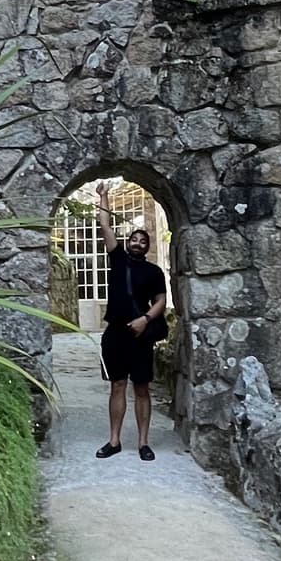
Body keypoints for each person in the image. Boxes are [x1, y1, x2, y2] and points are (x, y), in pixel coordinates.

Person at [94, 186, 168, 461]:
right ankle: (114, 440)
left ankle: (143, 443)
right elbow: (105, 225)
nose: (137, 243)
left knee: (142, 388)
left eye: (142, 241)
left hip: (140, 335)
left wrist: (144, 320)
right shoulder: (118, 259)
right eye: (134, 239)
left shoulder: (154, 272)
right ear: (128, 242)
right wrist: (103, 196)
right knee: (117, 385)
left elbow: (161, 301)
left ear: (147, 247)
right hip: (115, 333)